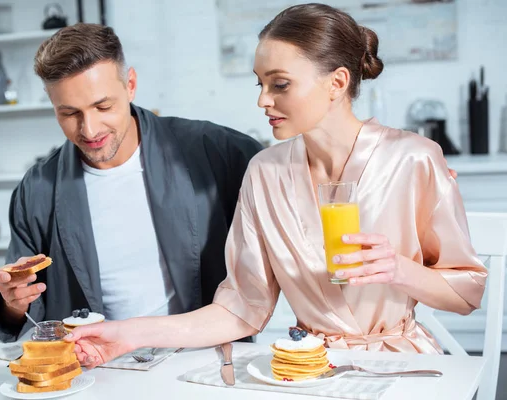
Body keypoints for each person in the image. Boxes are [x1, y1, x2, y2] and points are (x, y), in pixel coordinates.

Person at [64, 3, 486, 367]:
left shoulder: (413, 158)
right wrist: (131, 334)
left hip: (402, 367)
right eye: (260, 83)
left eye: (280, 84)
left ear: (337, 83)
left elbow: (466, 294)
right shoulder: (264, 172)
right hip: (305, 367)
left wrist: (400, 269)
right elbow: (241, 310)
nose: (263, 100)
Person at [0, 23, 263, 342]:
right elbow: (16, 315)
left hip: (200, 358)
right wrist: (13, 301)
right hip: (97, 371)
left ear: (130, 85)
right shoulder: (36, 190)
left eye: (103, 107)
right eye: (69, 113)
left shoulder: (214, 150)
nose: (89, 130)